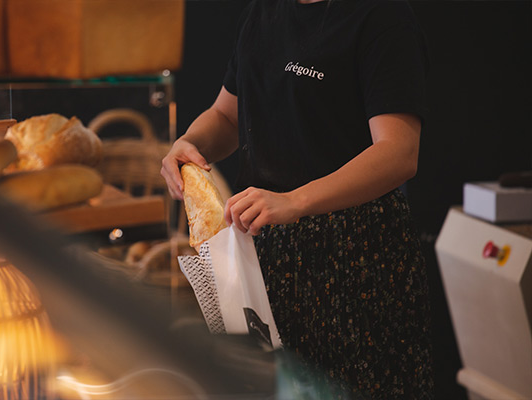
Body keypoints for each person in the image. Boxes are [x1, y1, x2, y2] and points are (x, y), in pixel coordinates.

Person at [162, 0, 433, 398]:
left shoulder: (381, 15)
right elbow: (227, 115)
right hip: (262, 252)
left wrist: (295, 201)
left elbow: (399, 152)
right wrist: (189, 143)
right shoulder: (263, 12)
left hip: (354, 262)